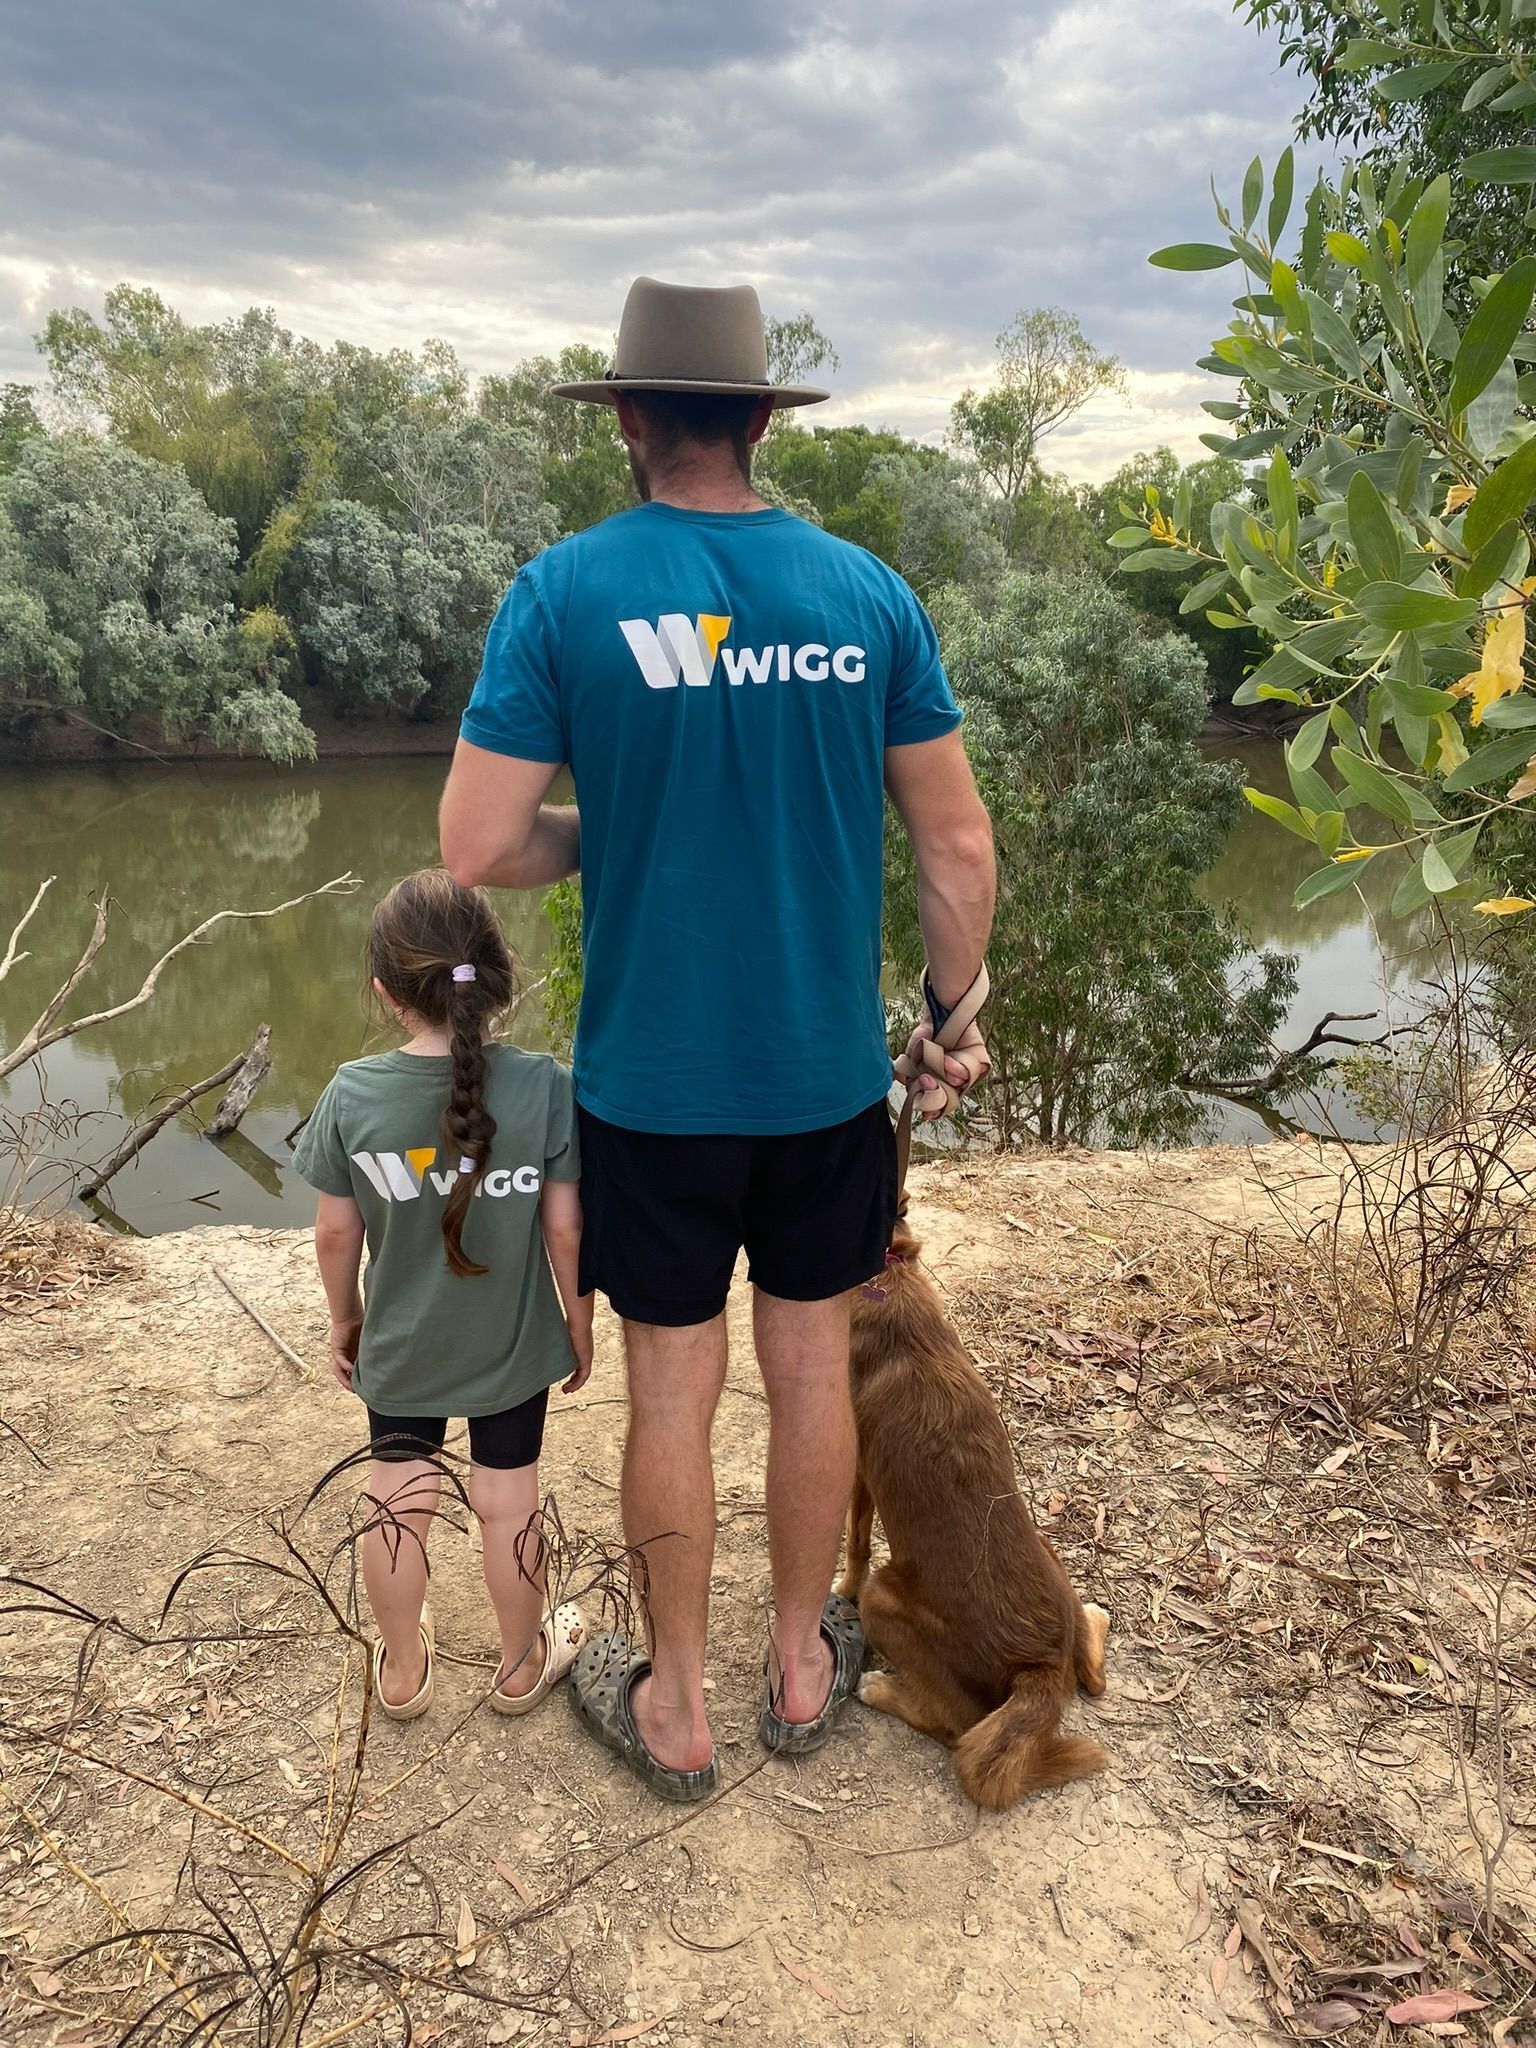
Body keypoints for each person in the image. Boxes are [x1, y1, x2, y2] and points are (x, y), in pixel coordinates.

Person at [440, 276, 995, 1801]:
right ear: (760, 418)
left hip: (654, 1089)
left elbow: (478, 844)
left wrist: (609, 827)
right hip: (821, 1086)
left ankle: (676, 1707)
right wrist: (953, 1013)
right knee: (812, 1369)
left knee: (669, 1390)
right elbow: (956, 851)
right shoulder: (866, 596)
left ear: (624, 419)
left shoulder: (562, 593)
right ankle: (804, 1673)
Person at [293, 869, 594, 1721]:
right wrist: (579, 1319)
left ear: (387, 993)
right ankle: (519, 1665)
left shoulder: (351, 1094)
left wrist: (346, 1320)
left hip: (404, 1342)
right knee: (509, 1504)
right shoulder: (545, 1085)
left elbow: (333, 1235)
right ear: (497, 977)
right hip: (512, 1340)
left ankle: (399, 1672)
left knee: (398, 1498)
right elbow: (564, 1229)